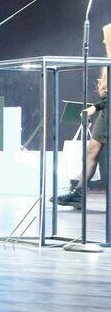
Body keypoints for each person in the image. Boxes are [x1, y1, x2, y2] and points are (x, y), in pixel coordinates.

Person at [56, 23, 111, 209]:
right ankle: (79, 193)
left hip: (105, 109)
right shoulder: (107, 63)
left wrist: (95, 107)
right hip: (106, 113)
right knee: (91, 151)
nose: (104, 41)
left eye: (107, 38)